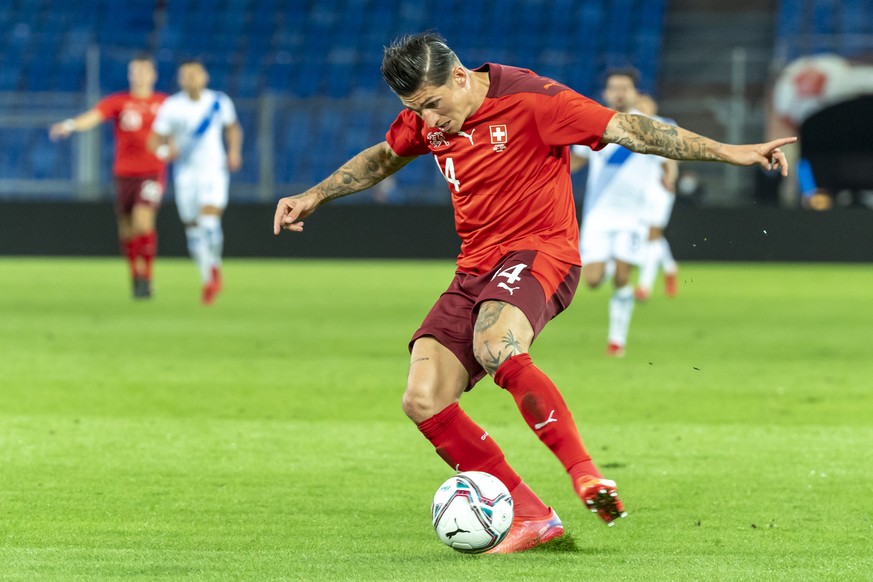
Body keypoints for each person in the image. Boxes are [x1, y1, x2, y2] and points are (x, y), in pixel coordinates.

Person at [273, 32, 793, 553]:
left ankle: (586, 474)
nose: (428, 121)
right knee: (422, 397)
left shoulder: (533, 99)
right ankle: (531, 516)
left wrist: (731, 152)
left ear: (459, 76)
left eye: (431, 105)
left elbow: (629, 129)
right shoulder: (430, 118)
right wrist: (313, 195)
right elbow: (385, 156)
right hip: (474, 265)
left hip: (541, 250)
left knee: (494, 341)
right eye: (416, 110)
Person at [50, 54, 167, 299]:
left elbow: (182, 128)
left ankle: (148, 277)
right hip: (124, 174)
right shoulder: (119, 101)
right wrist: (70, 125)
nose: (140, 75)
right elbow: (94, 116)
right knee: (126, 230)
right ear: (130, 74)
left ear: (153, 75)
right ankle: (134, 274)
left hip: (152, 173)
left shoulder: (165, 103)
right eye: (135, 71)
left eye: (144, 71)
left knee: (143, 221)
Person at [569, 69, 667, 356]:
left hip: (633, 217)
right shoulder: (595, 124)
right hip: (598, 216)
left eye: (625, 87)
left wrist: (669, 173)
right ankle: (611, 262)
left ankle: (616, 341)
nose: (619, 93)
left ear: (636, 92)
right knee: (593, 280)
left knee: (623, 279)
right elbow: (577, 159)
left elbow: (670, 153)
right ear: (606, 93)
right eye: (614, 88)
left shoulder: (647, 126)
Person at [148, 60, 243, 305]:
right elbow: (154, 140)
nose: (190, 79)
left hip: (213, 171)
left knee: (209, 222)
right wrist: (163, 153)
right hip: (185, 175)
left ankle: (215, 272)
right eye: (185, 75)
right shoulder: (172, 106)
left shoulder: (219, 102)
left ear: (204, 77)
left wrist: (234, 152)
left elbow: (233, 129)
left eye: (194, 74)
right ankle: (207, 278)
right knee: (192, 230)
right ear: (180, 80)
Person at [633, 93, 679, 302]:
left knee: (651, 234)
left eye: (645, 103)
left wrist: (670, 178)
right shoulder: (631, 127)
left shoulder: (665, 125)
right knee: (651, 235)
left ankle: (644, 286)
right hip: (639, 191)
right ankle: (670, 267)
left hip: (659, 190)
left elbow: (673, 158)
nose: (642, 107)